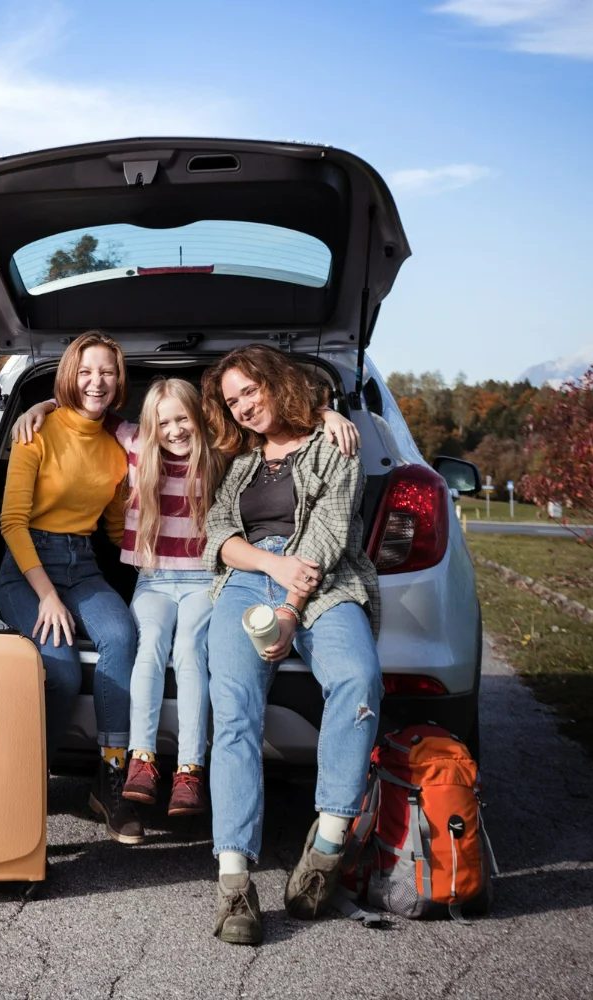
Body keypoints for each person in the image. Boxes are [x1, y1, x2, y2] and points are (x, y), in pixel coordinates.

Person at [11, 378, 358, 820]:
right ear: (149, 428)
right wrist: (41, 405)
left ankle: (189, 769)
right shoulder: (135, 442)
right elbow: (88, 408)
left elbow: (273, 426)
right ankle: (141, 760)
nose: (174, 430)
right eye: (164, 423)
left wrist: (326, 414)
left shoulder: (220, 449)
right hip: (153, 580)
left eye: (183, 420)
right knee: (149, 645)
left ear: (200, 419)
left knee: (192, 650)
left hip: (202, 581)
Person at [200, 344, 381, 946]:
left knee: (358, 681)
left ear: (278, 383)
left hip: (323, 583)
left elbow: (328, 534)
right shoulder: (238, 459)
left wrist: (289, 610)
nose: (244, 407)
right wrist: (265, 570)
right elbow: (219, 533)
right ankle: (234, 885)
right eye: (233, 401)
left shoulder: (336, 443)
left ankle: (325, 850)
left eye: (251, 391)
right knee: (232, 711)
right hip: (249, 579)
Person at [0, 330, 141, 844]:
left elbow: (111, 528)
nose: (96, 381)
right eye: (85, 371)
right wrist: (48, 597)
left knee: (121, 636)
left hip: (81, 564)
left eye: (106, 371)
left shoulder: (118, 451)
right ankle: (26, 783)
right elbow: (11, 523)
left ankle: (111, 781)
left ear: (118, 379)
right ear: (69, 377)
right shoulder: (35, 430)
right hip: (27, 567)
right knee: (59, 670)